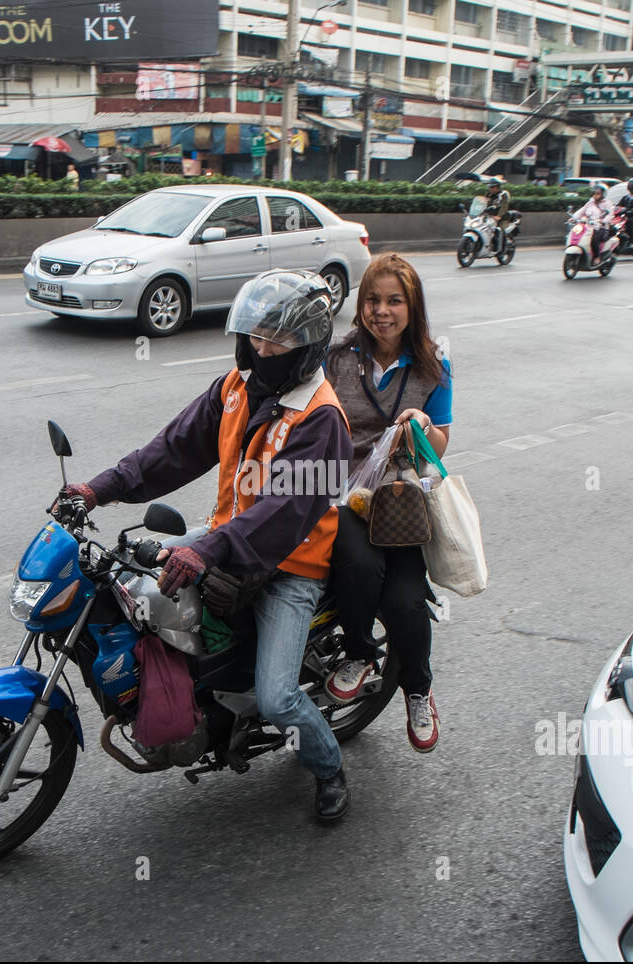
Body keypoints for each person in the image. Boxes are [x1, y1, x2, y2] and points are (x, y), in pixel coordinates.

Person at [57, 271, 356, 822]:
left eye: (277, 342)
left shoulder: (322, 420)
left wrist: (207, 550)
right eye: (256, 337)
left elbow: (282, 515)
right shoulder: (236, 388)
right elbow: (170, 450)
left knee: (277, 698)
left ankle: (328, 767)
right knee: (129, 586)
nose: (261, 350)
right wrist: (98, 489)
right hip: (225, 540)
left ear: (308, 346)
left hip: (291, 566)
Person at [322, 253, 453, 754]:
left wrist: (422, 428)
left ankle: (418, 690)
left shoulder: (432, 365)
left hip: (398, 498)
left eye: (394, 301)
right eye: (373, 300)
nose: (382, 311)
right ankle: (359, 653)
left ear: (412, 306)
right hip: (341, 491)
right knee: (358, 564)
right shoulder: (336, 357)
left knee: (403, 601)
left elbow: (441, 443)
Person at [570, 182, 614, 259]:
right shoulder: (590, 202)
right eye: (594, 193)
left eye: (598, 194)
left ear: (603, 194)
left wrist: (603, 221)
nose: (595, 195)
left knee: (594, 240)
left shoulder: (608, 204)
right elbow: (582, 211)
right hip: (588, 226)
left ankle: (597, 257)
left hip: (600, 228)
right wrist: (573, 218)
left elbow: (610, 215)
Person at [482, 177, 512, 251]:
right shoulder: (488, 194)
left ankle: (502, 248)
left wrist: (499, 216)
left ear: (497, 187)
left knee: (499, 231)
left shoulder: (503, 194)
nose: (490, 188)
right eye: (489, 187)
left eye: (492, 187)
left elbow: (504, 206)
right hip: (490, 217)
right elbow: (482, 203)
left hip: (502, 218)